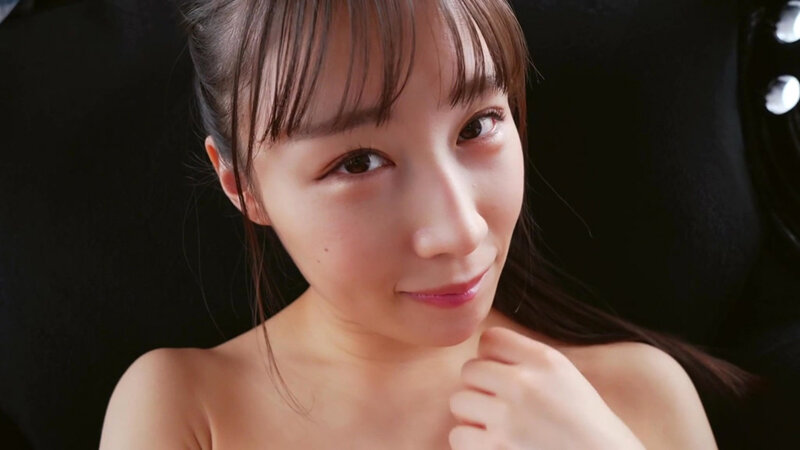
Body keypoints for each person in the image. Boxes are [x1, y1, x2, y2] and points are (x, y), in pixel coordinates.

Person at [99, 0, 761, 448]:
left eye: (478, 125)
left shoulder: (634, 398)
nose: (461, 230)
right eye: (358, 162)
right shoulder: (187, 412)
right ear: (241, 184)